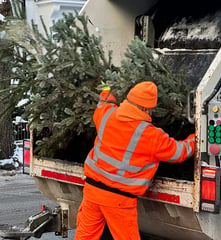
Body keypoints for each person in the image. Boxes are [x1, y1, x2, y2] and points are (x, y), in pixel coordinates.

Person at [74, 81, 195, 240]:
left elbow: (103, 102)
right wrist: (196, 138)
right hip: (118, 200)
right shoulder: (149, 135)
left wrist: (107, 89)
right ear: (146, 108)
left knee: (85, 237)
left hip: (92, 191)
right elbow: (179, 152)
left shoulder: (107, 114)